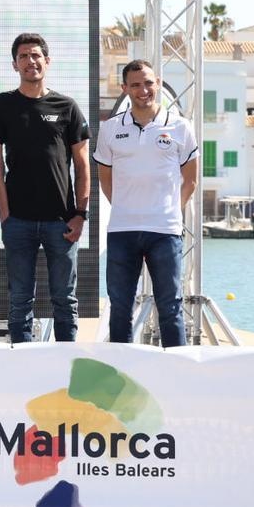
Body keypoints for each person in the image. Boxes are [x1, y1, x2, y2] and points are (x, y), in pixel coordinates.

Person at [0, 33, 90, 343]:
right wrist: (5, 214)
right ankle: (23, 368)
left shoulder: (67, 106)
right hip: (18, 222)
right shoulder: (2, 104)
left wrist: (81, 214)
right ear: (15, 64)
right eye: (23, 56)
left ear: (47, 60)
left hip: (62, 223)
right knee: (19, 300)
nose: (30, 61)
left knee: (65, 300)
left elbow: (83, 165)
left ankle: (67, 368)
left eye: (35, 55)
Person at [95, 59, 197, 346]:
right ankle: (121, 375)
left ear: (158, 84)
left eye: (149, 83)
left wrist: (168, 213)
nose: (144, 90)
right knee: (120, 308)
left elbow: (190, 180)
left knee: (170, 306)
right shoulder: (110, 129)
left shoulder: (181, 127)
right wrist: (127, 207)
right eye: (136, 84)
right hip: (122, 230)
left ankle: (177, 373)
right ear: (125, 88)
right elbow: (105, 178)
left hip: (164, 232)